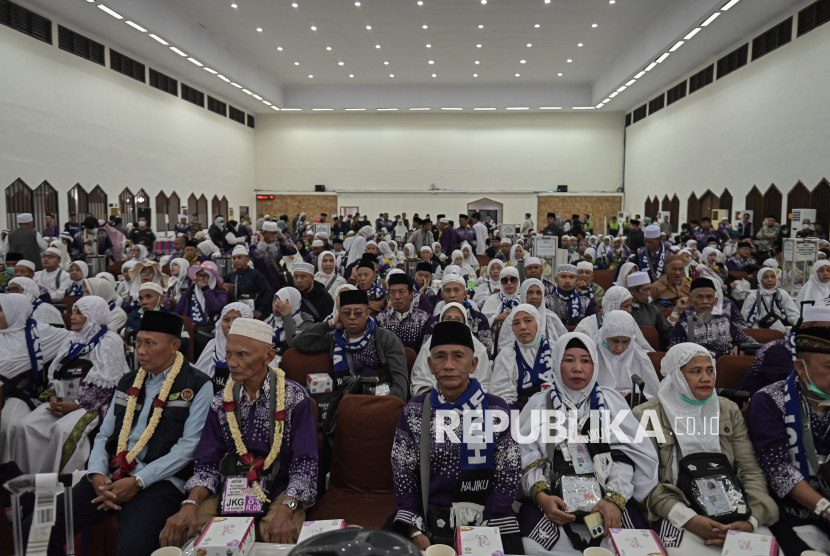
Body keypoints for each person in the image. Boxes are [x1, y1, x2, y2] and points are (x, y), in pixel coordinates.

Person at [20, 311, 212, 556]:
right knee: (35, 530)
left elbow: (189, 447)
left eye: (150, 343)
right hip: (111, 474)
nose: (140, 351)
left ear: (175, 346)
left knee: (133, 548)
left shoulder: (197, 384)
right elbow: (104, 434)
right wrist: (98, 472)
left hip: (160, 480)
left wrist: (138, 481)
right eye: (139, 342)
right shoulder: (128, 380)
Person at [517, 332, 659, 555]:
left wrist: (614, 498)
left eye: (585, 361)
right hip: (552, 495)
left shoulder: (611, 402)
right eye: (569, 360)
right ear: (556, 363)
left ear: (595, 365)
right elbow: (527, 454)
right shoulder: (539, 404)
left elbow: (626, 455)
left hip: (605, 495)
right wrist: (542, 497)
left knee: (635, 549)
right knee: (534, 547)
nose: (577, 368)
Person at [388, 320, 522, 554]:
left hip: (488, 515)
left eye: (458, 356)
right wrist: (416, 530)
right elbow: (403, 475)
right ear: (430, 365)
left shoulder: (495, 410)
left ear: (473, 364)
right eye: (440, 357)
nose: (448, 365)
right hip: (427, 515)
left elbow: (509, 474)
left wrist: (481, 526)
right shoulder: (414, 411)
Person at [633, 344, 778, 553]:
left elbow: (749, 469)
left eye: (710, 371)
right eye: (696, 371)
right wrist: (688, 519)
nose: (706, 378)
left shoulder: (727, 409)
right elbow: (646, 483)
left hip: (735, 507)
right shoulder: (646, 414)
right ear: (677, 376)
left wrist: (752, 520)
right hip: (678, 510)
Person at [12, 297, 130, 474]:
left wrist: (75, 405)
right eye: (73, 311)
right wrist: (53, 395)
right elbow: (56, 372)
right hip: (64, 396)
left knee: (64, 430)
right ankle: (31, 480)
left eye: (79, 313)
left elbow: (107, 387)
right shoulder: (72, 338)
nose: (72, 317)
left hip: (94, 402)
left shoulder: (109, 341)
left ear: (93, 317)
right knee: (26, 425)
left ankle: (62, 485)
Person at [746, 325, 830, 555]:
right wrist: (826, 508)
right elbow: (779, 471)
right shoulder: (768, 401)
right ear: (801, 368)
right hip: (790, 508)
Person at [293, 289, 409, 400]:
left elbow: (400, 382)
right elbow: (300, 342)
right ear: (340, 316)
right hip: (346, 401)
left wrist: (390, 406)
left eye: (358, 313)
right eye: (346, 313)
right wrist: (329, 324)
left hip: (379, 401)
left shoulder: (385, 338)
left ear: (367, 314)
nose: (352, 317)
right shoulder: (334, 338)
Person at [0, 293, 69, 463]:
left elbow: (79, 338)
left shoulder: (41, 333)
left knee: (9, 424)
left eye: (0, 310)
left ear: (14, 311)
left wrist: (111, 335)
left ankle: (8, 472)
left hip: (19, 392)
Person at [740, 305, 830, 395]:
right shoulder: (776, 350)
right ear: (804, 329)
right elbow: (799, 384)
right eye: (823, 331)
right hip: (760, 404)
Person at [409, 301, 492, 396]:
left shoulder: (479, 349)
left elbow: (485, 385)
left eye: (457, 320)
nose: (452, 323)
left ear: (465, 323)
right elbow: (419, 383)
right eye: (448, 319)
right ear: (440, 321)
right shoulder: (428, 347)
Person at [490, 304, 555, 409]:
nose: (522, 327)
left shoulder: (554, 349)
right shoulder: (507, 354)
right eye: (516, 323)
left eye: (528, 320)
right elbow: (500, 395)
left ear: (538, 323)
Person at [670, 278, 752, 356]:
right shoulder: (683, 325)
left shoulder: (725, 321)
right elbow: (676, 354)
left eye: (709, 297)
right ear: (691, 301)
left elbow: (748, 342)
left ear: (715, 301)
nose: (705, 301)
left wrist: (737, 345)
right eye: (700, 297)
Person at [594, 310, 660, 399]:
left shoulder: (639, 357)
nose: (620, 347)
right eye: (615, 341)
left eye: (625, 342)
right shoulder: (593, 355)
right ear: (605, 337)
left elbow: (652, 395)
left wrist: (630, 395)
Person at [194, 302, 254, 393]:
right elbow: (197, 379)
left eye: (236, 320)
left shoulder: (257, 349)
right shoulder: (212, 346)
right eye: (226, 320)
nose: (230, 325)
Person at [173, 262, 228, 358]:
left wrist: (206, 289)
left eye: (205, 276)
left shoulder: (220, 293)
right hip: (189, 328)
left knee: (199, 340)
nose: (201, 279)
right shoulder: (189, 291)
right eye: (198, 275)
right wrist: (185, 323)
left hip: (210, 329)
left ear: (211, 278)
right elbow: (177, 311)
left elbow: (216, 308)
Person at [498, 278, 567, 352]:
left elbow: (564, 345)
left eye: (539, 293)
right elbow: (503, 349)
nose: (534, 297)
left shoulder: (551, 318)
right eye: (530, 292)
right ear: (523, 294)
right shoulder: (513, 318)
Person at [376, 272, 431, 352]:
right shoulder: (380, 319)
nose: (397, 297)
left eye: (401, 292)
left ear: (411, 294)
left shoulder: (424, 319)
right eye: (393, 292)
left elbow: (426, 352)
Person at [222, 245, 273, 320]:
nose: (236, 261)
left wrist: (260, 310)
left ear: (247, 259)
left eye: (239, 257)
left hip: (256, 315)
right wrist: (223, 285)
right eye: (234, 258)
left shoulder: (256, 274)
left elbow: (268, 292)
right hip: (237, 315)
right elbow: (215, 283)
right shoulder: (231, 276)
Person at [742, 267, 799, 332]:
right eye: (765, 277)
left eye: (773, 277)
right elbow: (745, 317)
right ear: (760, 279)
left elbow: (793, 314)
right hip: (758, 329)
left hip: (780, 328)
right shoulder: (753, 296)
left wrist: (798, 325)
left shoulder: (782, 294)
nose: (770, 280)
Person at [628, 271, 674, 350]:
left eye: (650, 289)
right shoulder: (622, 309)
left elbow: (667, 331)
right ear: (633, 290)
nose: (649, 294)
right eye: (645, 290)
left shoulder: (653, 309)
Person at [249, 221, 299, 293]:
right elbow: (256, 257)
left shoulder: (278, 246)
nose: (275, 236)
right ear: (263, 233)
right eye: (272, 233)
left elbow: (293, 250)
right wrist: (262, 241)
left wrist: (284, 238)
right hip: (263, 285)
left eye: (276, 233)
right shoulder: (254, 247)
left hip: (278, 283)